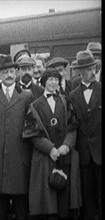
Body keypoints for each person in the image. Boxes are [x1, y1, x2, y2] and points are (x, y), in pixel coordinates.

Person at [22, 68, 81, 220]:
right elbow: (32, 134)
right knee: (47, 207)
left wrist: (66, 146)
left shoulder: (66, 101)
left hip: (64, 158)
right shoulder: (34, 105)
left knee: (64, 206)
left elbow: (73, 128)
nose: (54, 82)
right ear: (44, 82)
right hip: (44, 160)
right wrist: (50, 149)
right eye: (50, 79)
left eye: (56, 79)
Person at [0, 55, 33, 220]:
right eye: (5, 72)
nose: (9, 75)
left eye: (12, 71)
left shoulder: (26, 96)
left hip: (20, 159)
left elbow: (31, 126)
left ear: (17, 73)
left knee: (21, 210)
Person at [69, 50, 101, 220]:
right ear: (80, 71)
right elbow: (72, 125)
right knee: (87, 198)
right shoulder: (73, 96)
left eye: (94, 68)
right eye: (89, 69)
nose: (93, 72)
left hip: (100, 154)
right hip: (84, 156)